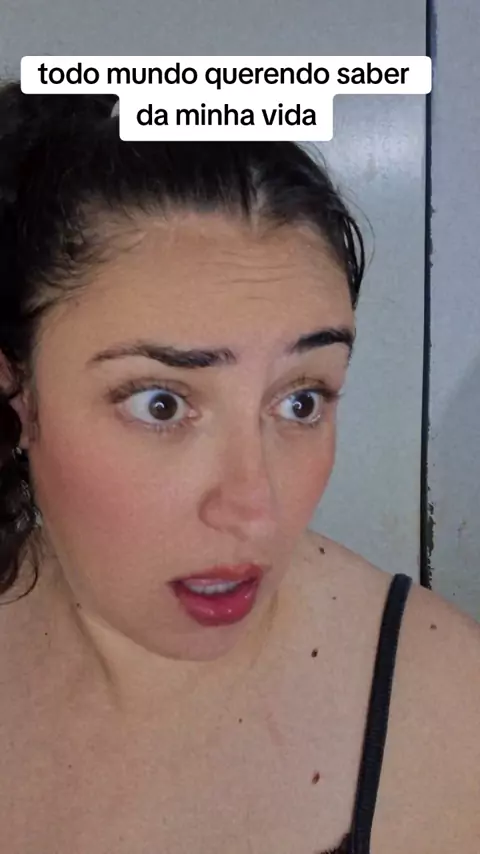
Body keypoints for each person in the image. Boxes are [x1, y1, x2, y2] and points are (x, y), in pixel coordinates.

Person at [0, 80, 478, 854]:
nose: (257, 509)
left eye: (301, 400)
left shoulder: (451, 719)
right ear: (19, 394)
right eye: (161, 404)